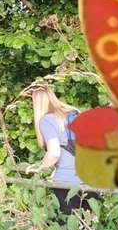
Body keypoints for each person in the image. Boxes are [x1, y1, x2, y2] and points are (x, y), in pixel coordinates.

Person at [29, 84, 89, 216]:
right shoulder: (75, 113)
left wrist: (40, 168)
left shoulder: (47, 120)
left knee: (68, 226)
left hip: (67, 183)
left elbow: (54, 154)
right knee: (89, 226)